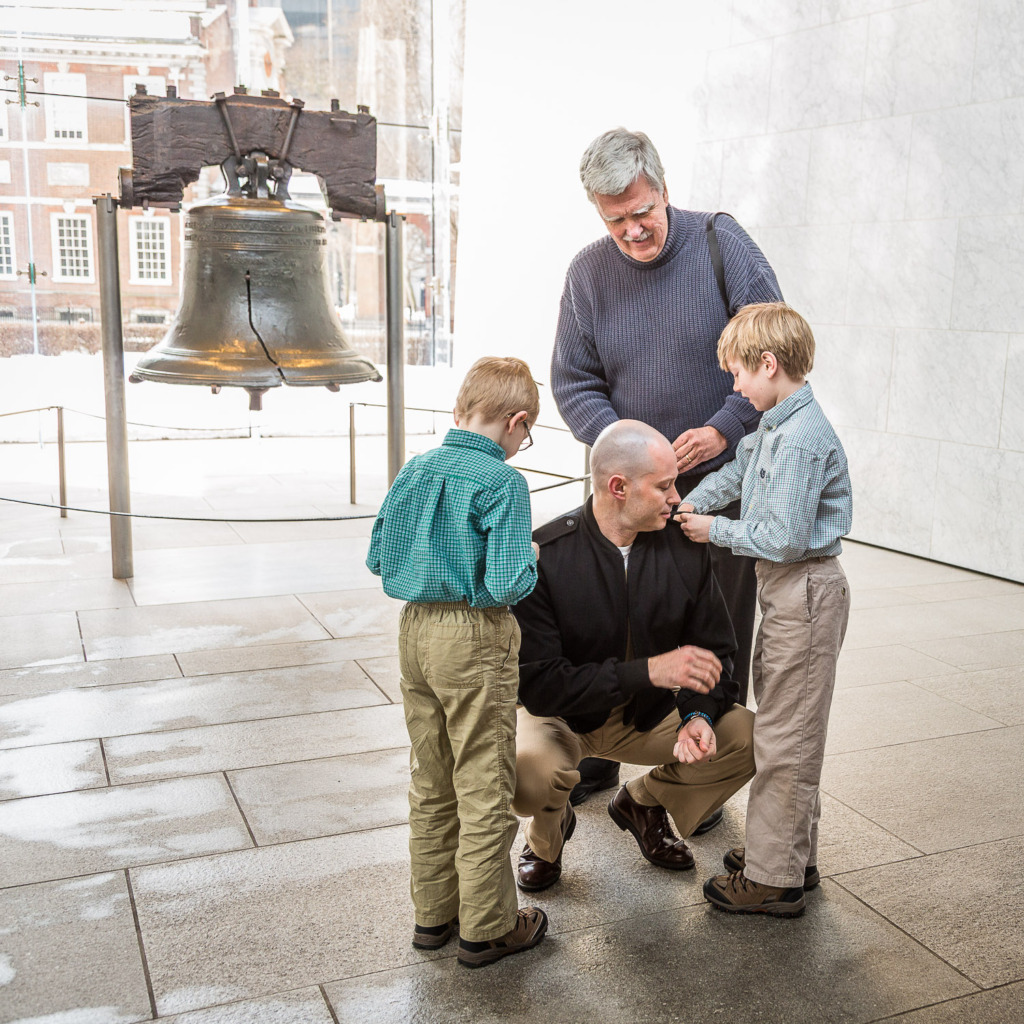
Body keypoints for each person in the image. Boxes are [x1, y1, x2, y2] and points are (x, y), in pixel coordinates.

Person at [552, 129, 783, 804]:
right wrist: (624, 451)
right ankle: (594, 751)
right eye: (614, 219)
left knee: (713, 630)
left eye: (641, 212)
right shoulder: (588, 272)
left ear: (663, 189)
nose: (631, 231)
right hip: (623, 492)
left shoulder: (720, 242)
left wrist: (724, 428)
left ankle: (691, 776)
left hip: (719, 488)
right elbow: (573, 382)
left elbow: (775, 353)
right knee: (601, 621)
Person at [511, 420, 756, 892]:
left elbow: (719, 651)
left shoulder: (685, 549)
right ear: (618, 487)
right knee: (528, 773)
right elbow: (540, 686)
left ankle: (644, 800)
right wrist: (649, 671)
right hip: (561, 718)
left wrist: (699, 714)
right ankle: (545, 839)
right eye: (663, 485)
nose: (676, 496)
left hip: (649, 717)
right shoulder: (547, 555)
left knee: (748, 737)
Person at [366, 356, 548, 968]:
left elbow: (377, 557)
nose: (523, 445)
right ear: (517, 422)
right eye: (527, 434)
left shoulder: (416, 469)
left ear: (460, 411)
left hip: (414, 630)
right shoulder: (503, 484)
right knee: (482, 783)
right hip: (473, 637)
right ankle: (489, 927)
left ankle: (434, 916)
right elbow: (502, 584)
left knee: (431, 778)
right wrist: (529, 558)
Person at [678, 302, 852, 917]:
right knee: (791, 726)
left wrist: (711, 533)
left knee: (784, 736)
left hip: (803, 586)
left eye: (737, 374)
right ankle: (788, 854)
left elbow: (781, 537)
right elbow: (736, 476)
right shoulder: (775, 423)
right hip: (788, 588)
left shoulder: (802, 437)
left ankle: (773, 878)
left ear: (769, 363)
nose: (733, 386)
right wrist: (685, 506)